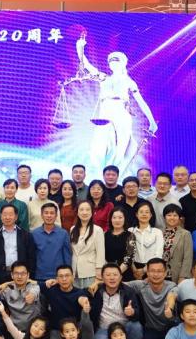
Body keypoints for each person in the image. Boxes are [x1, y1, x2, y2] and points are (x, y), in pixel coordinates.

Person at [77, 35, 158, 168]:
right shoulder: (103, 78)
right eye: (110, 61)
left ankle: (116, 173)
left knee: (121, 146)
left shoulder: (129, 82)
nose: (113, 62)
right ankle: (100, 172)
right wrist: (79, 47)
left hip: (121, 113)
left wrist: (152, 121)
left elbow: (141, 102)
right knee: (100, 144)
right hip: (105, 113)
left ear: (123, 63)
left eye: (116, 60)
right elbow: (85, 64)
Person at [125, 258, 178, 339]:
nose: (156, 274)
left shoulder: (171, 286)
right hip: (151, 329)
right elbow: (118, 284)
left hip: (170, 328)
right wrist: (98, 282)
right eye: (152, 271)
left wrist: (169, 308)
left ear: (165, 273)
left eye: (159, 271)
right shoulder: (141, 285)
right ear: (147, 273)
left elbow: (172, 295)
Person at [39, 265, 94, 339]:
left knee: (87, 323)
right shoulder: (51, 290)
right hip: (58, 330)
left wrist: (84, 304)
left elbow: (82, 299)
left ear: (72, 277)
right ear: (57, 278)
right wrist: (46, 283)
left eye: (67, 276)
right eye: (61, 276)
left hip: (75, 330)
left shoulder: (79, 292)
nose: (64, 279)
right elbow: (34, 285)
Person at [89, 264, 142, 339]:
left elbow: (138, 314)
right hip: (105, 328)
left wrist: (132, 312)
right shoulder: (96, 290)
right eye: (108, 275)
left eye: (115, 275)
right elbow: (82, 293)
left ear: (120, 277)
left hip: (124, 328)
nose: (112, 278)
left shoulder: (128, 291)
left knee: (136, 326)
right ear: (102, 278)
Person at [0, 205, 36, 285]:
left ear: (16, 217)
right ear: (0, 216)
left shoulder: (26, 235)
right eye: (4, 214)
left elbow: (31, 258)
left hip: (20, 275)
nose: (7, 217)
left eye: (10, 214)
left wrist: (29, 275)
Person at [0, 262, 43, 339]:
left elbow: (34, 291)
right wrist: (5, 284)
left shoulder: (34, 287)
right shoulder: (7, 289)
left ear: (28, 275)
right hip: (13, 329)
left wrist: (32, 296)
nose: (19, 276)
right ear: (12, 275)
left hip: (32, 329)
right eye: (16, 273)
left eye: (23, 273)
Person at [31, 203, 71, 282]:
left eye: (52, 213)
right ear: (42, 215)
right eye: (46, 213)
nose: (49, 216)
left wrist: (67, 274)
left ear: (56, 216)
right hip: (39, 276)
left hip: (59, 277)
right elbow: (32, 256)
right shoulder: (34, 233)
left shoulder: (63, 233)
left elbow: (67, 256)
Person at [70, 201, 105, 288]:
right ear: (77, 212)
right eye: (81, 210)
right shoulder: (73, 229)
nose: (84, 212)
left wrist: (99, 271)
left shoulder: (98, 230)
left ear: (92, 212)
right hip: (74, 271)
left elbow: (100, 253)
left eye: (87, 210)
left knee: (89, 295)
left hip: (90, 272)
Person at [128, 201, 163, 278]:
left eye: (147, 212)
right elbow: (127, 253)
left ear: (151, 215)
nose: (144, 214)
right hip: (132, 269)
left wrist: (144, 270)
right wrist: (134, 269)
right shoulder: (130, 231)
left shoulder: (157, 232)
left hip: (152, 268)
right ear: (136, 214)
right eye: (141, 212)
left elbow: (158, 254)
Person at [162, 204, 193, 284]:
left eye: (175, 215)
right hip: (160, 274)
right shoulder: (159, 232)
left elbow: (188, 258)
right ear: (164, 217)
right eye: (169, 215)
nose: (172, 218)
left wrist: (183, 276)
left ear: (179, 218)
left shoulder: (185, 234)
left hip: (177, 274)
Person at [104, 207, 134, 281]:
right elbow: (101, 255)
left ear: (125, 219)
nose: (117, 220)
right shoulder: (105, 235)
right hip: (108, 274)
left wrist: (116, 274)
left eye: (120, 217)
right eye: (114, 217)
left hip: (124, 274)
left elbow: (129, 258)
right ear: (111, 219)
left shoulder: (130, 235)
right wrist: (109, 273)